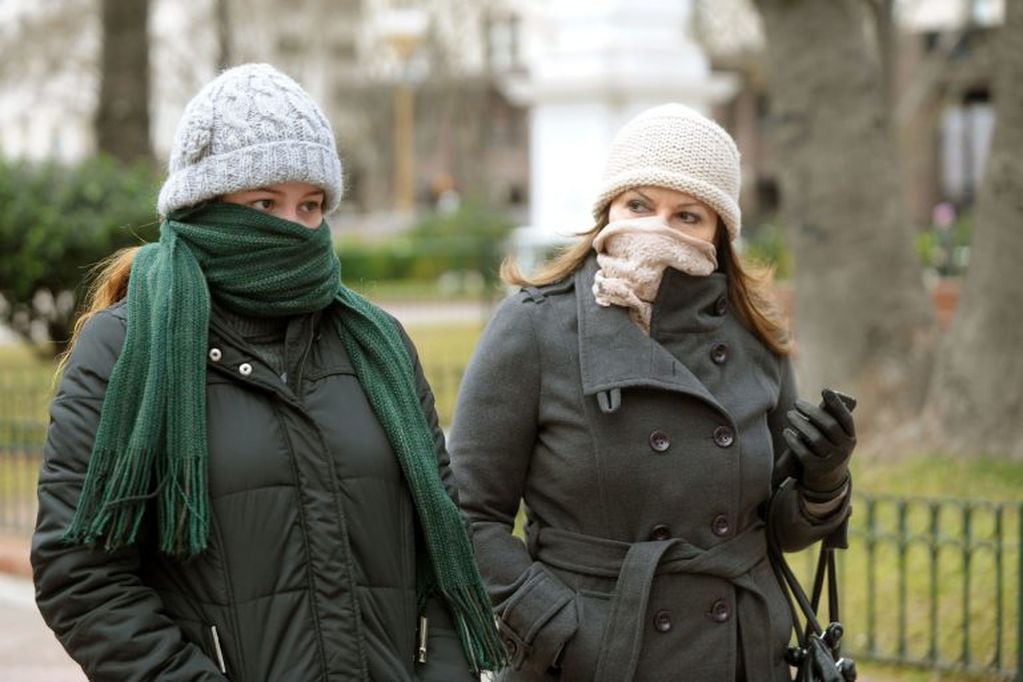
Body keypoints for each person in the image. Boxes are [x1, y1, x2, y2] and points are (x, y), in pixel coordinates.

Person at [31, 63, 504, 681]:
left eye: (311, 204)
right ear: (204, 206)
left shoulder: (378, 344)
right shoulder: (124, 349)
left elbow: (443, 539)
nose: (294, 228)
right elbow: (81, 574)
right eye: (264, 202)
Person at [447, 104, 856, 681]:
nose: (658, 228)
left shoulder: (754, 336)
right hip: (598, 660)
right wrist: (560, 629)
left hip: (739, 656)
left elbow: (780, 531)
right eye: (639, 205)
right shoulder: (535, 328)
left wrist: (824, 480)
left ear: (719, 231)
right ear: (608, 209)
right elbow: (467, 516)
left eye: (687, 214)